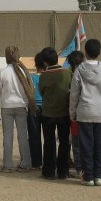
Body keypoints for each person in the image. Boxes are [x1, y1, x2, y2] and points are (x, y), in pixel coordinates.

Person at [69, 39, 101, 187]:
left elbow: (74, 94)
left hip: (85, 111)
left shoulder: (79, 70)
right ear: (99, 52)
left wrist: (72, 112)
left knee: (86, 145)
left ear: (85, 52)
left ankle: (88, 176)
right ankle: (99, 175)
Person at [0, 45, 35, 173]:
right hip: (21, 106)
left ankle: (7, 165)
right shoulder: (24, 71)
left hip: (6, 106)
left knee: (7, 136)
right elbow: (29, 89)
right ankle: (26, 163)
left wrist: (1, 101)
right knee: (23, 135)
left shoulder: (2, 72)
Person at [38, 46, 71, 180]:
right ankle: (63, 171)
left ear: (45, 62)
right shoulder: (66, 73)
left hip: (48, 113)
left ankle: (49, 171)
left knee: (49, 142)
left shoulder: (44, 76)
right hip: (64, 112)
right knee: (64, 142)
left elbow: (41, 92)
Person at [27, 52, 44, 169]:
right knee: (49, 135)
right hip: (47, 107)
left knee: (34, 135)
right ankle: (49, 160)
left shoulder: (31, 77)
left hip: (33, 107)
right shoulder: (48, 76)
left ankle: (36, 162)